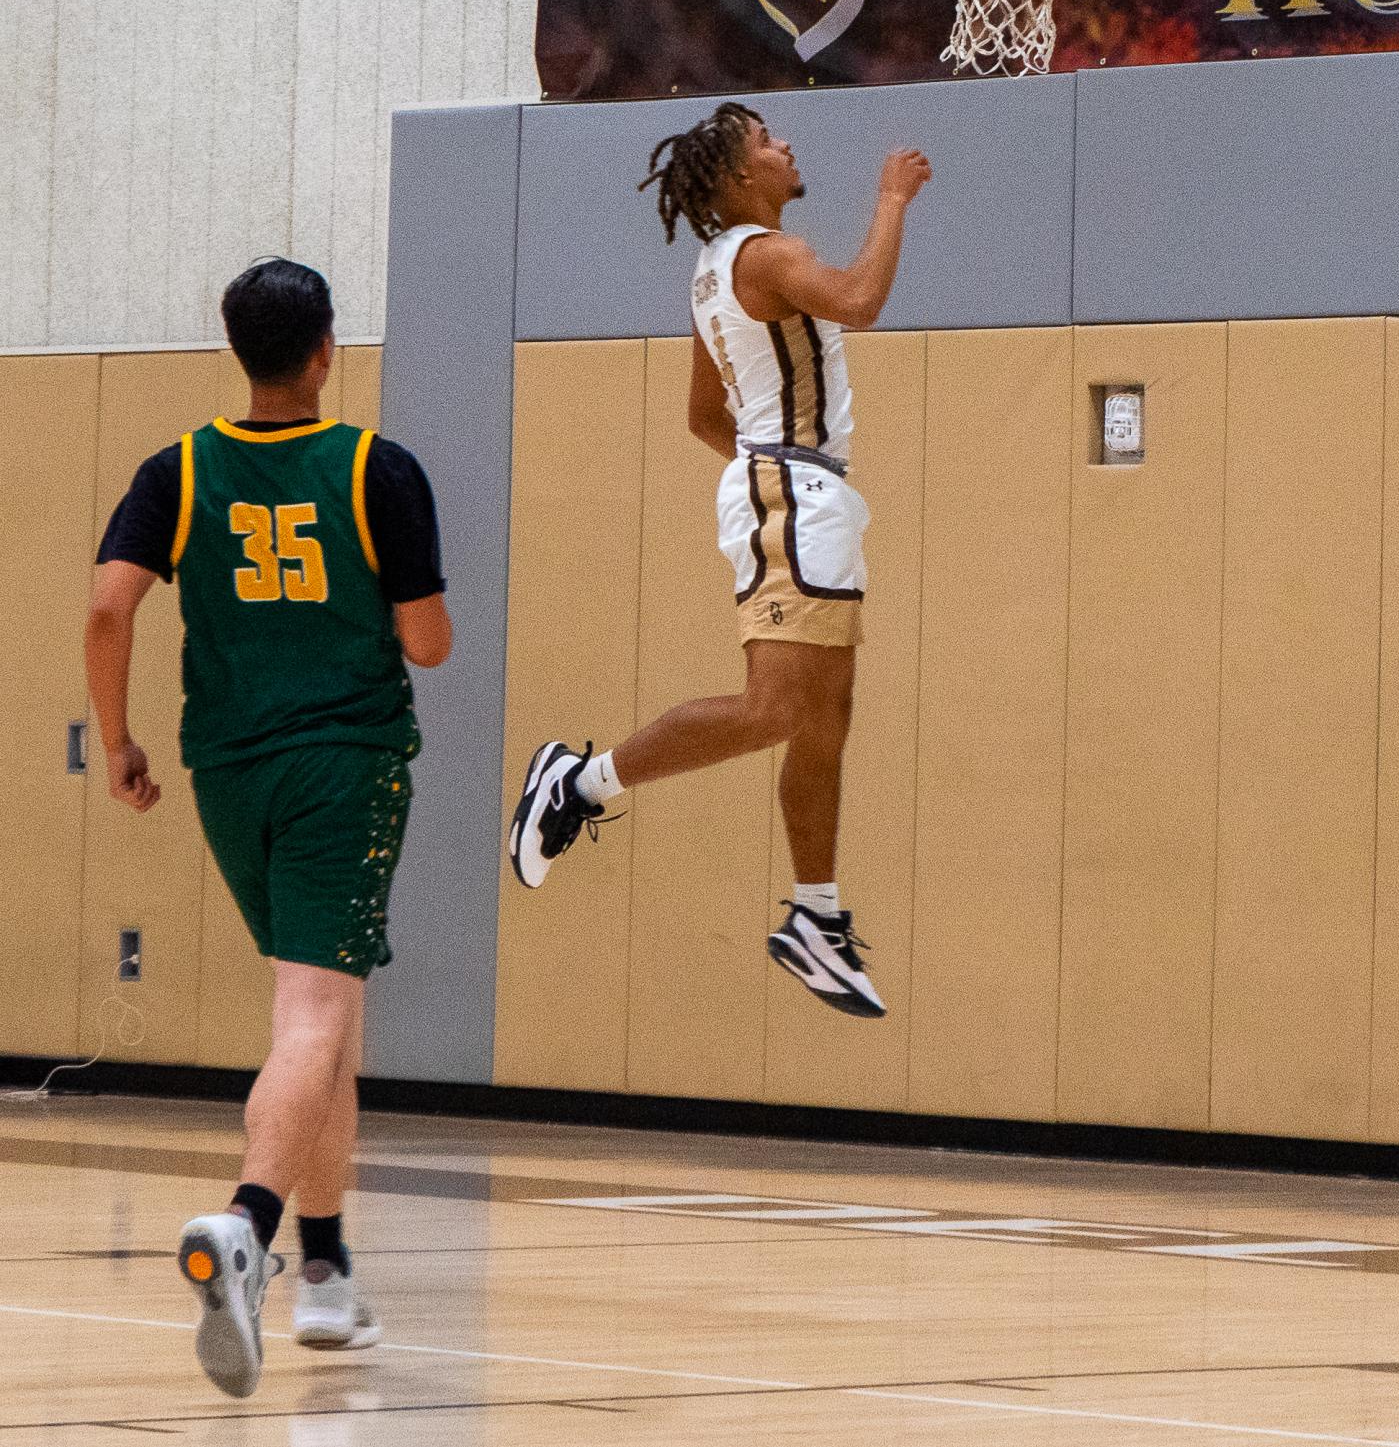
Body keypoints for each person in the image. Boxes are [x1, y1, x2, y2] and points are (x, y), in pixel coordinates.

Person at [85, 257, 451, 1399]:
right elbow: (431, 644)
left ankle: (329, 1269)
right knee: (312, 1017)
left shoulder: (179, 470)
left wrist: (118, 741)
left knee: (323, 1009)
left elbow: (107, 606)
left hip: (226, 771)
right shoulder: (374, 468)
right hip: (344, 765)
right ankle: (248, 1226)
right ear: (328, 347)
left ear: (238, 349)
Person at [508, 101, 930, 1017]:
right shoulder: (765, 253)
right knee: (776, 709)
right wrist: (893, 198)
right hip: (791, 491)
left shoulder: (712, 270)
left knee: (824, 714)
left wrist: (763, 466)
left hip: (790, 484)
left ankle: (815, 916)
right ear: (742, 179)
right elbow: (858, 301)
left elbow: (706, 417)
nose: (785, 147)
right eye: (767, 142)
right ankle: (576, 782)